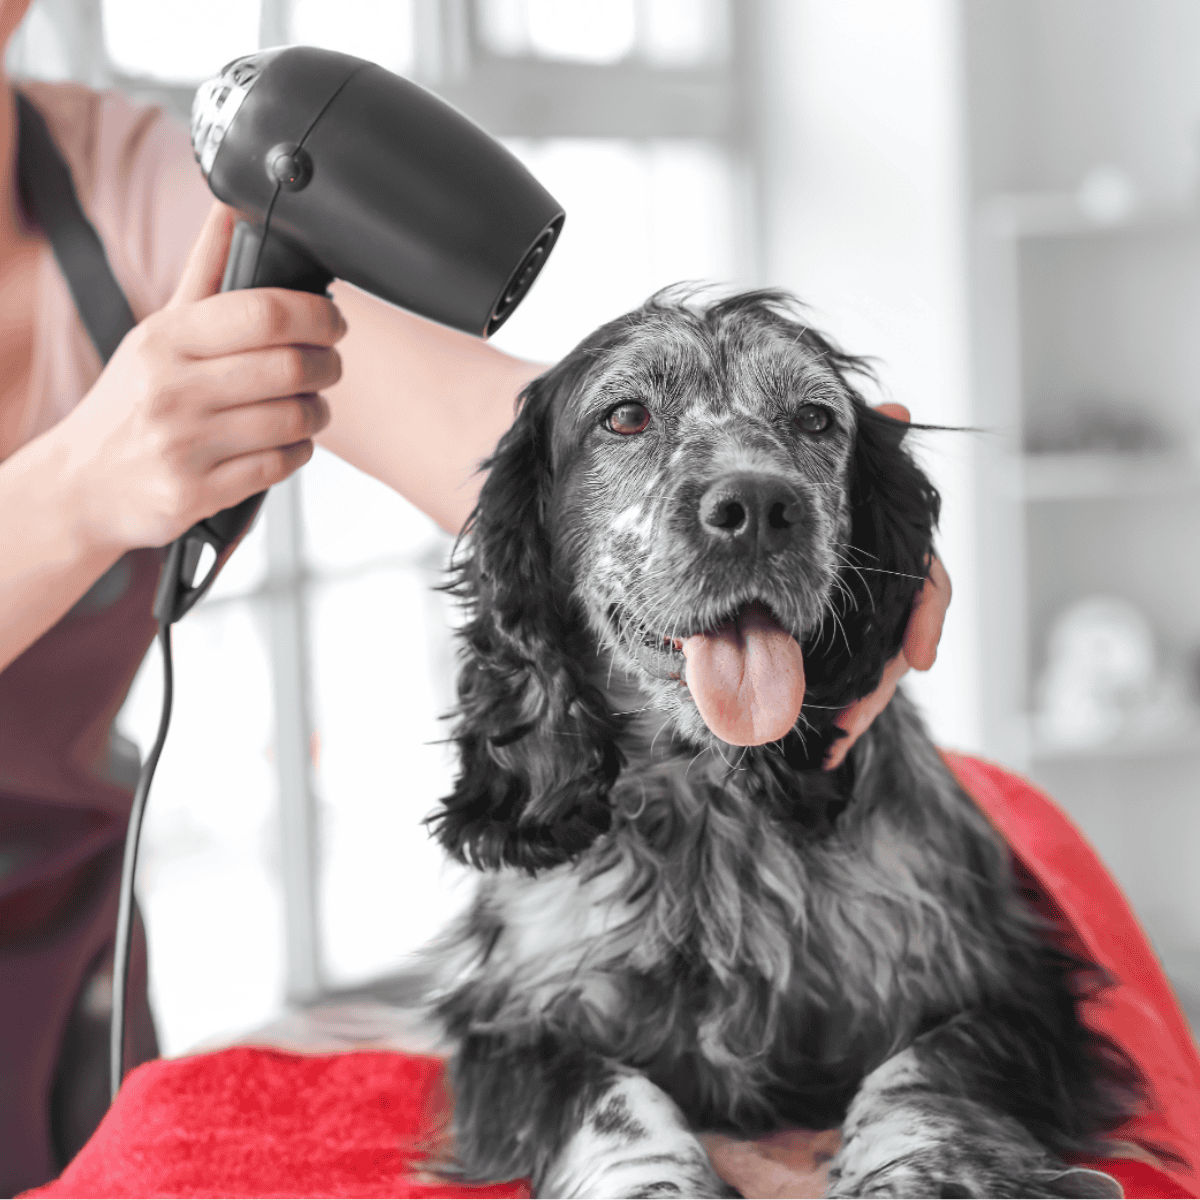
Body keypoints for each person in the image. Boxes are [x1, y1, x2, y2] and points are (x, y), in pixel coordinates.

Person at [0, 2, 950, 1190]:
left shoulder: (127, 184)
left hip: (67, 916)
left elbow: (496, 445)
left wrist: (787, 484)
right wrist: (70, 495)